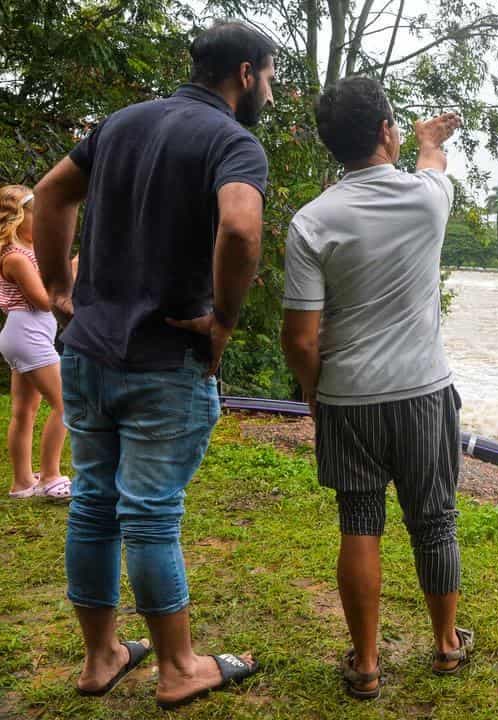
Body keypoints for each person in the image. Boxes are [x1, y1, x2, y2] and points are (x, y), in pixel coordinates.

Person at [33, 22, 273, 709]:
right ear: (248, 74)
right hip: (165, 358)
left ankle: (101, 655)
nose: (272, 93)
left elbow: (50, 195)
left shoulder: (122, 123)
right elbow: (242, 227)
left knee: (95, 505)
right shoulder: (232, 142)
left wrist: (59, 294)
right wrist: (223, 320)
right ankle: (177, 668)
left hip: (86, 353)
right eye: (272, 78)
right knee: (151, 514)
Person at [280, 76, 469, 700]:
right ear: (386, 130)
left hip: (347, 396)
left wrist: (313, 391)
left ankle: (365, 663)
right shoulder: (427, 200)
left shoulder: (311, 221)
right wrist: (428, 139)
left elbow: (301, 337)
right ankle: (445, 646)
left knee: (359, 521)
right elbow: (434, 165)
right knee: (434, 521)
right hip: (422, 392)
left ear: (331, 144)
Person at [0, 185, 70, 499]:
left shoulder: (28, 251)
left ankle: (22, 482)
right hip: (27, 332)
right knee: (67, 404)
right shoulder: (14, 256)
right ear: (17, 217)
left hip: (27, 334)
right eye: (34, 213)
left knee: (25, 411)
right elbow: (43, 301)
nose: (41, 219)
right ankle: (51, 477)